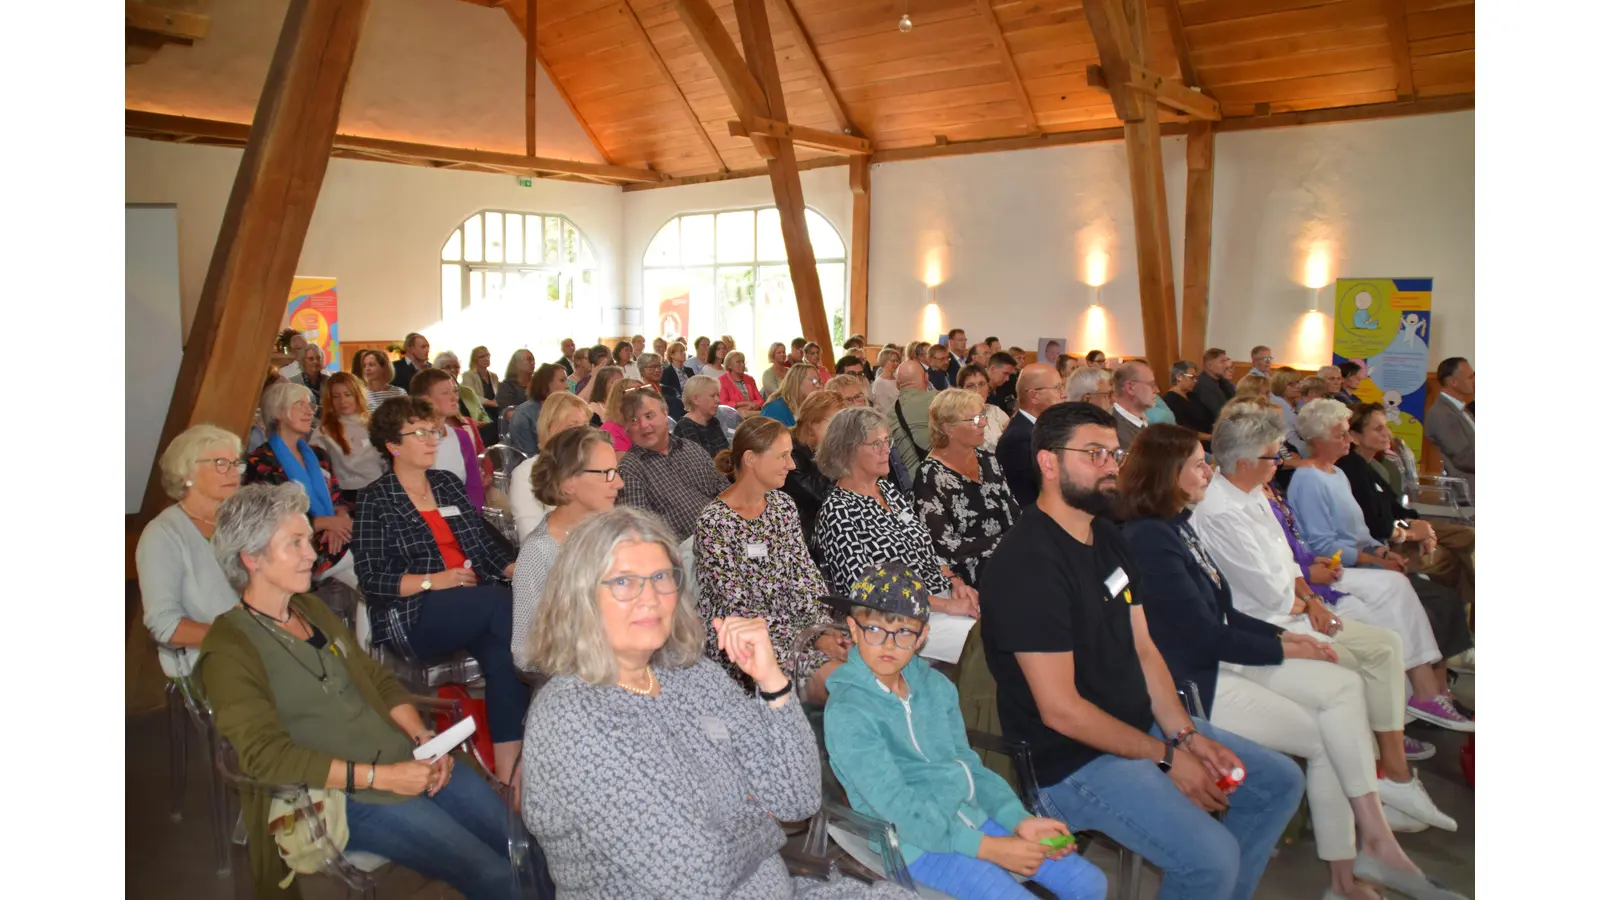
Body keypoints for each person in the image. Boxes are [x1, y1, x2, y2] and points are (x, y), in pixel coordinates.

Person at [1121, 425, 1468, 899]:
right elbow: (1201, 636)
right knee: (1329, 723)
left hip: (1216, 659)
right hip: (1192, 684)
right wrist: (1284, 644)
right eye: (1200, 464)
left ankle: (1368, 856)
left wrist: (1286, 638)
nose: (1210, 470)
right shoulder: (1149, 538)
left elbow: (1223, 611)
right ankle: (1359, 866)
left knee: (1342, 691)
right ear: (1168, 474)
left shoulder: (1177, 525)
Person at [978, 402, 1305, 900]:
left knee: (1278, 782)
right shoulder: (1028, 566)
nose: (1111, 466)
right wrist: (1169, 758)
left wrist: (1187, 736)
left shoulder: (1108, 538)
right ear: (1048, 463)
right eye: (1094, 454)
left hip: (1138, 728)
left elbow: (1145, 648)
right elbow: (1062, 712)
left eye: (1114, 453)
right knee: (1211, 858)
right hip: (1071, 762)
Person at [519, 507, 905, 899]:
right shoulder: (571, 717)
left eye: (661, 577)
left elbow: (796, 800)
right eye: (623, 582)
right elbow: (694, 876)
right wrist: (766, 823)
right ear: (581, 596)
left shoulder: (690, 673)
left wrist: (771, 682)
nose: (650, 598)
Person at [200, 483, 528, 900]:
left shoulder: (311, 610)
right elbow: (266, 757)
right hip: (343, 794)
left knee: (521, 844)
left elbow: (377, 680)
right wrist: (385, 777)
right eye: (295, 543)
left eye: (309, 540)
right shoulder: (229, 647)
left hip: (403, 759)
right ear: (252, 558)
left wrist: (422, 739)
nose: (312, 554)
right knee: (492, 874)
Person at [824, 563, 1108, 900]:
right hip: (913, 841)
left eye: (904, 632)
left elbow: (968, 766)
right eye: (875, 630)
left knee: (1089, 882)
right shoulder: (847, 710)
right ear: (853, 630)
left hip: (972, 815)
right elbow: (895, 806)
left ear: (922, 638)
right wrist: (989, 848)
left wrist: (1018, 820)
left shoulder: (937, 688)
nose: (889, 644)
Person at [1206, 405, 1473, 736]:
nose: (1280, 463)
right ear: (1246, 463)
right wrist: (1313, 594)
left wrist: (1372, 554)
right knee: (1374, 632)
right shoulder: (1225, 508)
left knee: (1390, 608)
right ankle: (1393, 731)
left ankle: (1417, 703)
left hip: (1303, 587)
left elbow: (1288, 556)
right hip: (1275, 611)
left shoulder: (1263, 490)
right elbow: (1278, 582)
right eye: (1273, 457)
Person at [353, 396, 527, 778]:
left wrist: (521, 569)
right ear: (393, 445)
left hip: (473, 604)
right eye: (420, 433)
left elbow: (482, 548)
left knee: (503, 658)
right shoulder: (374, 500)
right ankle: (549, 671)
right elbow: (372, 578)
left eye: (434, 431)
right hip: (416, 612)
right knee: (504, 609)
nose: (433, 439)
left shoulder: (447, 484)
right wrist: (435, 580)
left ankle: (508, 774)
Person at [696, 417, 844, 698]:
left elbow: (806, 577)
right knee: (840, 682)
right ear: (751, 459)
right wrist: (810, 639)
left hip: (799, 626)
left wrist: (822, 629)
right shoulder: (715, 523)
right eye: (783, 456)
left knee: (864, 657)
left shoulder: (782, 505)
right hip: (748, 644)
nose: (792, 464)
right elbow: (739, 609)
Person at [812, 407, 980, 618]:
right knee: (984, 640)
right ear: (848, 451)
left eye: (887, 441)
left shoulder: (888, 490)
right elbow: (866, 591)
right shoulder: (838, 511)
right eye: (876, 444)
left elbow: (924, 549)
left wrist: (954, 581)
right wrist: (945, 606)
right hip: (899, 618)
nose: (886, 450)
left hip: (940, 598)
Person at [138, 425, 246, 680]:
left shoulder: (239, 520)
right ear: (187, 472)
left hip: (259, 650)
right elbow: (165, 625)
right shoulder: (162, 534)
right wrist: (240, 640)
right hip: (209, 662)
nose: (234, 472)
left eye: (235, 463)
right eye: (221, 463)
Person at [1342, 403, 1476, 608]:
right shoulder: (1352, 468)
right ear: (1355, 435)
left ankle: (1465, 612)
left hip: (1400, 528)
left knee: (1469, 536)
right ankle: (1462, 612)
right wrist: (1412, 533)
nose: (1388, 433)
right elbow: (1375, 525)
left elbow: (1396, 507)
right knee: (1449, 559)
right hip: (1384, 543)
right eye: (1378, 429)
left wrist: (1422, 527)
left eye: (1386, 426)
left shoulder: (1371, 466)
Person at [511, 427, 622, 671]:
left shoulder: (614, 534)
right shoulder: (540, 552)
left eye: (617, 472)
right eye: (608, 474)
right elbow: (525, 653)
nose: (619, 483)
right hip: (579, 683)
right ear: (569, 482)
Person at [245, 382, 355, 586]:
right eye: (299, 405)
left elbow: (337, 498)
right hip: (296, 549)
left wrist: (339, 521)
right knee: (372, 575)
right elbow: (268, 520)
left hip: (334, 541)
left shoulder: (318, 455)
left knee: (373, 576)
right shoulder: (261, 462)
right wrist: (325, 523)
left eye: (309, 406)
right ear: (278, 412)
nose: (308, 412)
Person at [915, 388, 1021, 591]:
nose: (984, 423)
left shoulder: (988, 459)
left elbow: (1012, 512)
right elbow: (945, 545)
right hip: (970, 569)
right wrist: (1006, 545)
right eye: (974, 420)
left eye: (982, 416)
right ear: (949, 429)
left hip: (1009, 555)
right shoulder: (930, 475)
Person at [616, 388, 727, 541]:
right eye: (633, 420)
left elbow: (726, 492)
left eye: (649, 416)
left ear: (665, 413)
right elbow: (641, 533)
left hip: (727, 534)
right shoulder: (630, 468)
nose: (643, 425)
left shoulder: (691, 448)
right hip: (686, 555)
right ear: (627, 428)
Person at [508, 392, 592, 543]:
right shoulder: (526, 473)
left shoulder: (594, 466)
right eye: (572, 426)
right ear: (550, 428)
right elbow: (531, 537)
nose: (582, 433)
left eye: (585, 425)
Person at [411, 368, 489, 512]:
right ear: (425, 399)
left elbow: (474, 486)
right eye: (445, 393)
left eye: (455, 391)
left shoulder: (462, 437)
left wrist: (470, 517)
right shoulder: (411, 439)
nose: (454, 397)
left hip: (462, 517)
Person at [995, 362, 1064, 508]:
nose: (1063, 394)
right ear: (1034, 396)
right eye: (1057, 388)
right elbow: (1026, 499)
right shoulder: (1019, 439)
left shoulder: (1038, 428)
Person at [784, 389, 849, 540]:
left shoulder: (818, 448)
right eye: (835, 423)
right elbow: (824, 497)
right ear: (813, 423)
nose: (841, 431)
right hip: (808, 534)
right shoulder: (789, 455)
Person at [312, 373, 384, 504]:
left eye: (347, 394)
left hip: (380, 492)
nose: (342, 401)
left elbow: (390, 458)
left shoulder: (375, 425)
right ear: (330, 400)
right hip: (345, 498)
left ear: (357, 395)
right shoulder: (322, 432)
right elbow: (318, 473)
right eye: (336, 396)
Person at [1422, 358, 1474, 499]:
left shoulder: (1460, 409)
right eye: (1470, 377)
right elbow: (1463, 458)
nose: (1474, 381)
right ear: (1454, 382)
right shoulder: (1442, 413)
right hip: (1466, 490)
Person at [508, 363, 569, 458]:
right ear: (546, 384)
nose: (567, 386)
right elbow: (527, 457)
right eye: (562, 381)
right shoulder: (523, 415)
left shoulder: (566, 409)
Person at [889, 359, 937, 477]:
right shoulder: (939, 400)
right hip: (936, 478)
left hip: (908, 482)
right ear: (926, 377)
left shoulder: (887, 412)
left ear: (897, 383)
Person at [673, 373, 732, 458]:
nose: (718, 400)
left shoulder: (714, 422)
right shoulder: (685, 427)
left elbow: (725, 454)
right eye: (712, 396)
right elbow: (699, 463)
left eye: (718, 395)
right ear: (695, 399)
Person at [956, 363, 1011, 452]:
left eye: (982, 384)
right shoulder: (957, 417)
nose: (978, 390)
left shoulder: (996, 411)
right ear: (961, 390)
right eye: (971, 386)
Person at [1110, 361, 1159, 451]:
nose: (1157, 390)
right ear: (1130, 388)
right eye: (1151, 385)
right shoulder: (1113, 431)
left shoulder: (1141, 422)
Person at [761, 361, 822, 427]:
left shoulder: (812, 408)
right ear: (797, 381)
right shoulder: (774, 409)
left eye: (819, 381)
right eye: (814, 380)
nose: (818, 386)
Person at [1163, 360, 1213, 437]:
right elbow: (1183, 430)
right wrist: (1210, 437)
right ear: (1179, 377)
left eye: (1196, 378)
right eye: (1192, 377)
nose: (1195, 381)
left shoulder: (1192, 395)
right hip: (1192, 442)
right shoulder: (1170, 400)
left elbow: (1208, 416)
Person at [598, 376, 643, 453]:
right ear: (620, 400)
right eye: (638, 393)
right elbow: (623, 463)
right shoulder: (610, 430)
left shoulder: (642, 423)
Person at [496, 348, 537, 430]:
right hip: (520, 430)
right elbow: (510, 415)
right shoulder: (507, 387)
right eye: (529, 360)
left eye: (533, 359)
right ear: (517, 363)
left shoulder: (538, 382)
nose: (533, 363)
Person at [1193, 348, 1236, 424]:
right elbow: (1218, 413)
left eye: (1226, 361)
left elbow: (1235, 399)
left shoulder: (1223, 381)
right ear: (1209, 365)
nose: (1226, 365)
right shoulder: (1203, 385)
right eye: (1222, 362)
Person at [1268, 369, 1305, 453]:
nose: (1298, 386)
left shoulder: (1298, 405)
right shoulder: (1277, 408)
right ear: (1279, 386)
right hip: (1289, 452)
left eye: (1299, 382)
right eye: (1291, 384)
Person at [717, 350, 764, 415]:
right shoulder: (722, 380)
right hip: (732, 416)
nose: (742, 365)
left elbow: (760, 400)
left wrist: (750, 407)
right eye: (738, 362)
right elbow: (724, 404)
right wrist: (746, 403)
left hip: (752, 413)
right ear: (729, 365)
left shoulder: (750, 379)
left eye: (743, 362)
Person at [462, 345, 501, 423]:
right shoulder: (468, 375)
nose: (486, 358)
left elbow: (498, 394)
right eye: (482, 356)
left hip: (495, 410)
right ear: (475, 360)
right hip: (478, 411)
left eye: (488, 355)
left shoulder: (494, 376)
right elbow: (471, 397)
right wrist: (491, 403)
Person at [637, 352, 680, 418]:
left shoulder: (671, 391)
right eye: (652, 367)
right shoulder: (638, 393)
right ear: (641, 370)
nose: (657, 370)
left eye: (659, 366)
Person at [294, 343, 327, 418]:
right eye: (311, 359)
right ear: (303, 361)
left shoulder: (329, 381)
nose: (315, 361)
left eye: (318, 358)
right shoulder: (294, 382)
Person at [986, 351, 1019, 416]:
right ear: (992, 369)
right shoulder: (980, 392)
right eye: (1005, 373)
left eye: (1009, 374)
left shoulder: (1006, 387)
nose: (1007, 378)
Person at [872, 346, 903, 412]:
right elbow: (882, 408)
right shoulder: (879, 383)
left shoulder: (897, 377)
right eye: (893, 361)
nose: (896, 363)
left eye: (897, 361)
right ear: (884, 362)